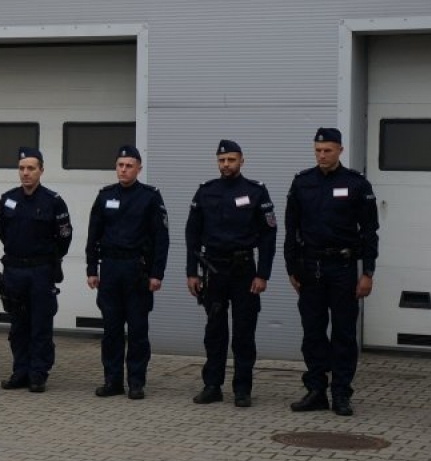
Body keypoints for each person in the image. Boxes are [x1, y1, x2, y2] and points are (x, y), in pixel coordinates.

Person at [283, 127, 379, 417]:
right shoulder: (302, 182)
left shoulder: (356, 184)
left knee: (343, 333)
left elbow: (370, 231)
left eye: (327, 150)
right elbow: (291, 229)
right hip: (310, 269)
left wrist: (368, 272)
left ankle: (341, 393)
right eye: (317, 150)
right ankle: (315, 390)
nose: (322, 155)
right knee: (312, 332)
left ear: (340, 150)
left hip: (343, 268)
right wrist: (291, 268)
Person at [184, 140, 277, 408]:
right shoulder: (206, 191)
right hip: (213, 269)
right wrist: (192, 272)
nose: (226, 165)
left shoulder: (256, 191)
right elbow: (192, 235)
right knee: (214, 330)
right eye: (222, 160)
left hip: (244, 271)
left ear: (242, 161)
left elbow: (269, 236)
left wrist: (263, 274)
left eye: (231, 160)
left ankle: (242, 389)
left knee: (244, 331)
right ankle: (212, 386)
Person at [86, 144, 169, 400]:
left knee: (137, 330)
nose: (123, 170)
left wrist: (157, 273)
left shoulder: (150, 197)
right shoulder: (104, 196)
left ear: (138, 168)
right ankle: (112, 381)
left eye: (129, 166)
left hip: (137, 271)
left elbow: (161, 238)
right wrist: (91, 268)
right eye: (120, 165)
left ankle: (136, 382)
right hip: (110, 270)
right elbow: (93, 234)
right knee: (111, 330)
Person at [0, 147, 73, 393]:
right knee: (18, 325)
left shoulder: (53, 201)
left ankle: (38, 373)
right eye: (21, 168)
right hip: (14, 270)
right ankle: (20, 371)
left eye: (31, 168)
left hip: (41, 271)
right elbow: (1, 230)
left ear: (41, 170)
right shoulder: (8, 198)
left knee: (40, 324)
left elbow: (64, 238)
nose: (25, 173)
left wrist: (48, 259)